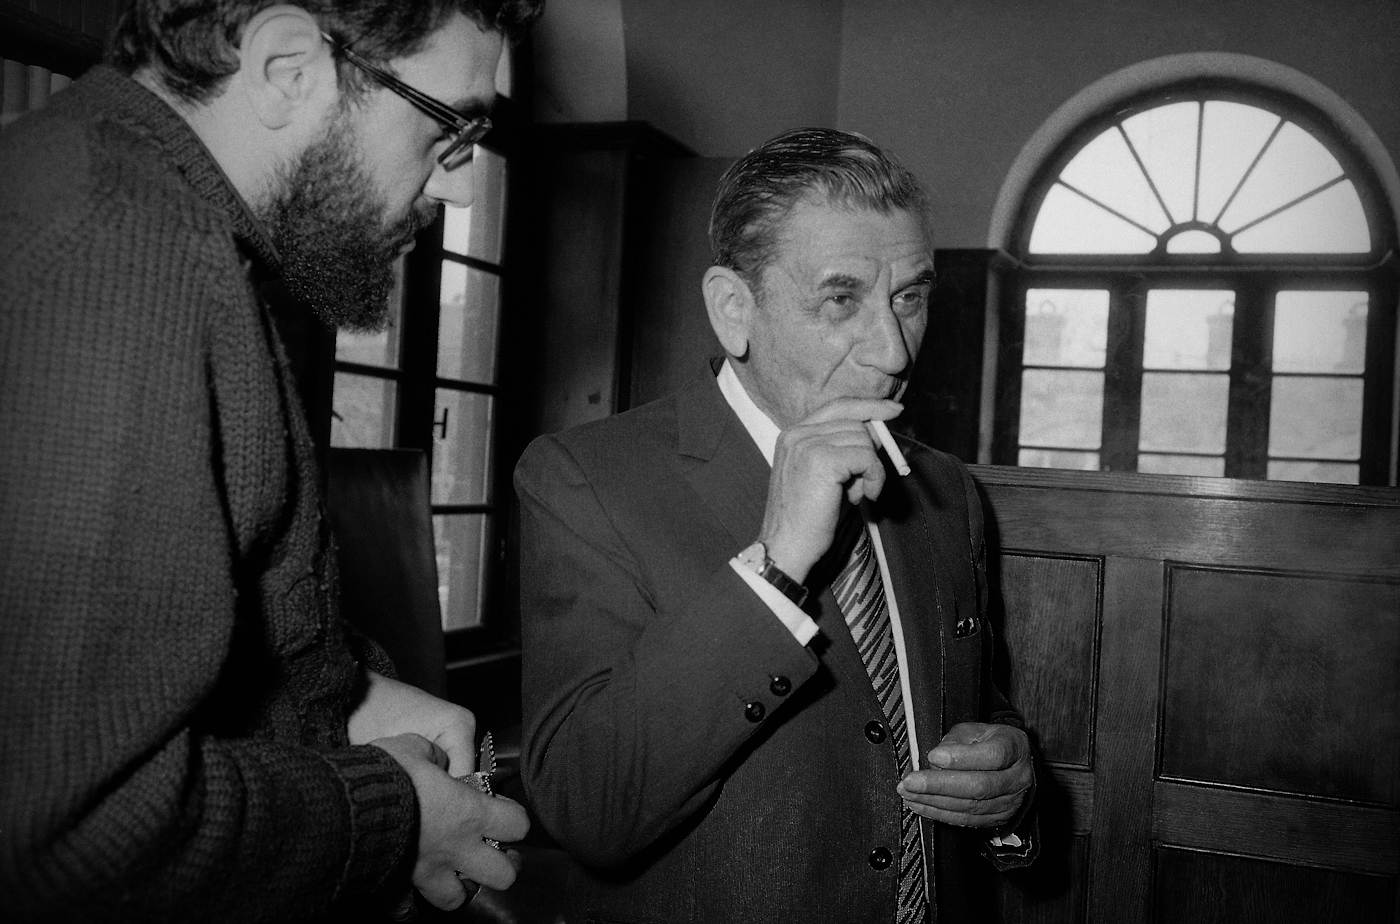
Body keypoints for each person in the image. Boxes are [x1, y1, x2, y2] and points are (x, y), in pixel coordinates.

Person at [0, 1, 542, 920]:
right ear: (289, 67)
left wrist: (345, 696)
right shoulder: (120, 253)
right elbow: (68, 837)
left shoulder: (137, 208)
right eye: (450, 126)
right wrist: (392, 815)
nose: (457, 189)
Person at [515, 128, 1038, 924]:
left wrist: (1011, 789)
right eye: (842, 299)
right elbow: (590, 806)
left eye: (910, 296)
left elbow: (976, 711)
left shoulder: (944, 490)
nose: (894, 350)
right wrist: (778, 561)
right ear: (735, 311)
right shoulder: (586, 480)